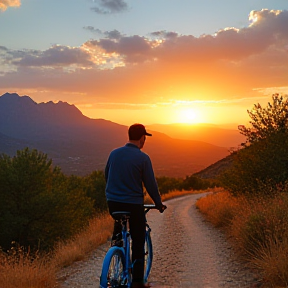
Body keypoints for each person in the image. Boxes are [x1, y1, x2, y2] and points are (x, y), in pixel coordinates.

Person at [105, 123, 166, 288]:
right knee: (138, 240)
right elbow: (150, 185)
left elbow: (107, 176)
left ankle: (116, 246)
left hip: (113, 203)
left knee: (119, 222)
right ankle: (138, 282)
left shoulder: (114, 154)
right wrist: (158, 204)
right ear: (142, 138)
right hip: (133, 205)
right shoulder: (143, 158)